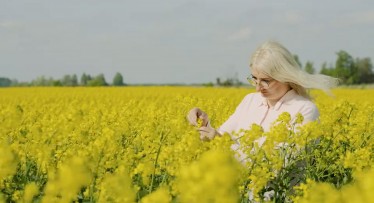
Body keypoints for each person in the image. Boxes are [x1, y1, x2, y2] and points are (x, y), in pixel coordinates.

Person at [187, 40, 339, 146]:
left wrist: (220, 142)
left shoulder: (304, 109)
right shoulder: (250, 101)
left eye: (266, 81)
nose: (258, 88)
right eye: (254, 79)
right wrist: (205, 125)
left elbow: (282, 161)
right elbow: (221, 135)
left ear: (285, 77)